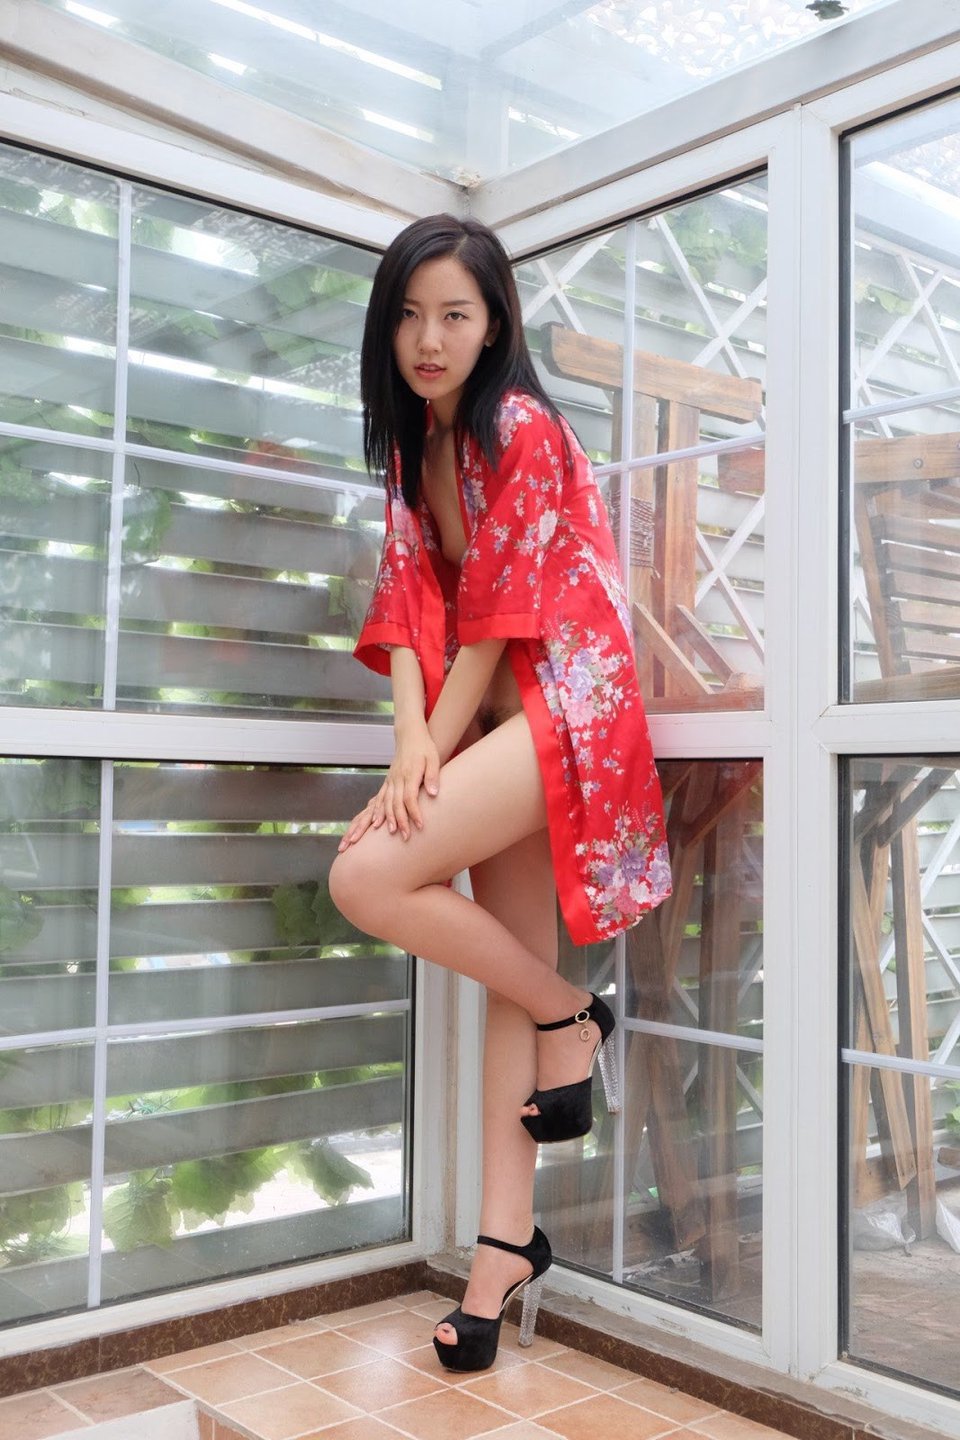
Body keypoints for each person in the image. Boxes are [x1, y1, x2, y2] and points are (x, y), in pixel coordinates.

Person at [328, 214, 671, 1373]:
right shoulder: (410, 446)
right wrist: (412, 737)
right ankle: (503, 1249)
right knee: (503, 981)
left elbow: (501, 609)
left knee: (367, 876)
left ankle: (574, 1015)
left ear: (494, 325)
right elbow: (408, 601)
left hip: (566, 704)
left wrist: (432, 748)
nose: (429, 338)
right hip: (492, 720)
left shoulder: (519, 425)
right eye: (409, 316)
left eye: (455, 315)